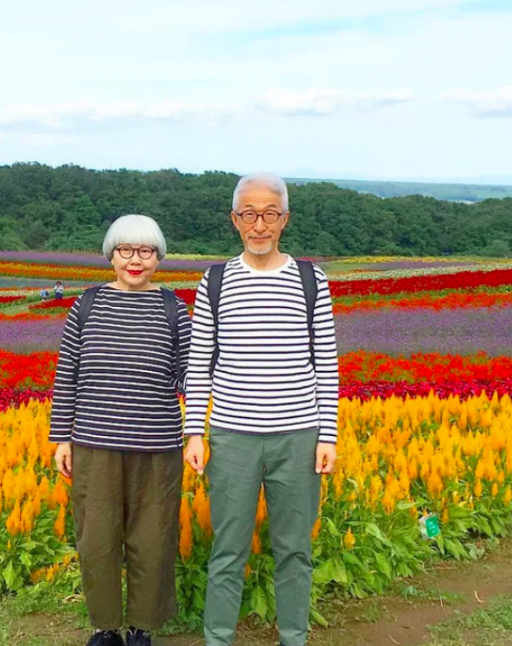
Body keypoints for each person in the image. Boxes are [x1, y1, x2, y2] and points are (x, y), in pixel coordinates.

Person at [184, 173, 339, 646]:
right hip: (232, 439)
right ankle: (218, 638)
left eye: (269, 214)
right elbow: (199, 363)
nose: (259, 224)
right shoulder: (214, 281)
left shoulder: (312, 280)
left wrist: (328, 436)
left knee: (295, 550)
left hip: (299, 437)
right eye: (248, 214)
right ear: (235, 220)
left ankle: (294, 637)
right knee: (228, 550)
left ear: (284, 220)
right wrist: (195, 433)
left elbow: (326, 362)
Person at [49, 214, 191, 646]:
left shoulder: (173, 308)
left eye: (146, 251)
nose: (135, 260)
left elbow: (190, 374)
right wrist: (60, 436)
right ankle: (105, 626)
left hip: (157, 448)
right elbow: (67, 373)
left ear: (158, 258)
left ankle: (142, 627)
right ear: (111, 256)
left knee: (153, 540)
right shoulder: (87, 305)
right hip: (95, 444)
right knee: (97, 539)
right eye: (125, 251)